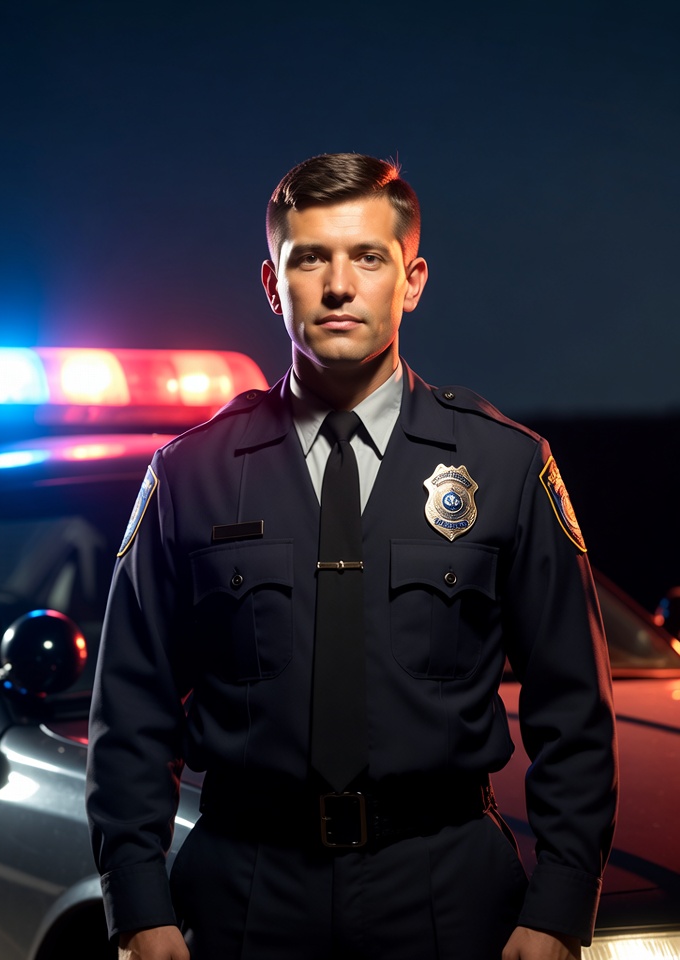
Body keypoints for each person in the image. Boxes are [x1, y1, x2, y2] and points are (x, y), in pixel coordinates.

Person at [86, 153, 617, 960]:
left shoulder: (507, 466)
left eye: (369, 257)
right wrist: (137, 908)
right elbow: (130, 711)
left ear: (412, 280)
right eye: (311, 259)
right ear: (273, 284)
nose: (340, 286)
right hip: (245, 888)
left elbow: (574, 711)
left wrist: (558, 911)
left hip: (448, 888)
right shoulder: (188, 475)